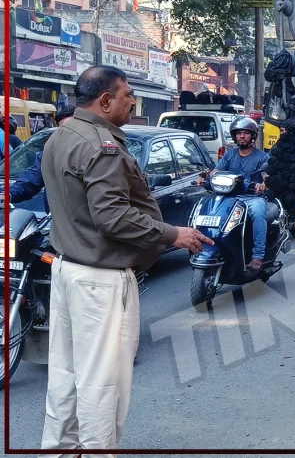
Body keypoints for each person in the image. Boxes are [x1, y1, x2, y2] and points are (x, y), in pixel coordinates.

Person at [39, 66, 212, 455]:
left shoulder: (60, 136)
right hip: (100, 280)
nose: (133, 101)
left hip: (68, 270)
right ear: (105, 101)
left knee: (65, 377)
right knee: (103, 383)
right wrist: (174, 234)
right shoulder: (102, 146)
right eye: (127, 94)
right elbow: (112, 217)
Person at [200, 117, 271, 270]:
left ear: (252, 136)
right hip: (229, 196)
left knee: (259, 212)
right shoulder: (229, 155)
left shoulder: (262, 157)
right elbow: (217, 171)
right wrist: (207, 176)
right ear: (234, 136)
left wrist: (263, 184)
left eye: (246, 133)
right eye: (239, 133)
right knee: (208, 208)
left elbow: (267, 177)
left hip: (251, 197)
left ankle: (258, 255)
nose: (242, 136)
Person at [5, 107, 76, 208]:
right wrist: (7, 194)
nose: (69, 135)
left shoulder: (96, 151)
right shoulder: (50, 154)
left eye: (72, 129)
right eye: (63, 130)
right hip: (55, 220)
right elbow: (31, 179)